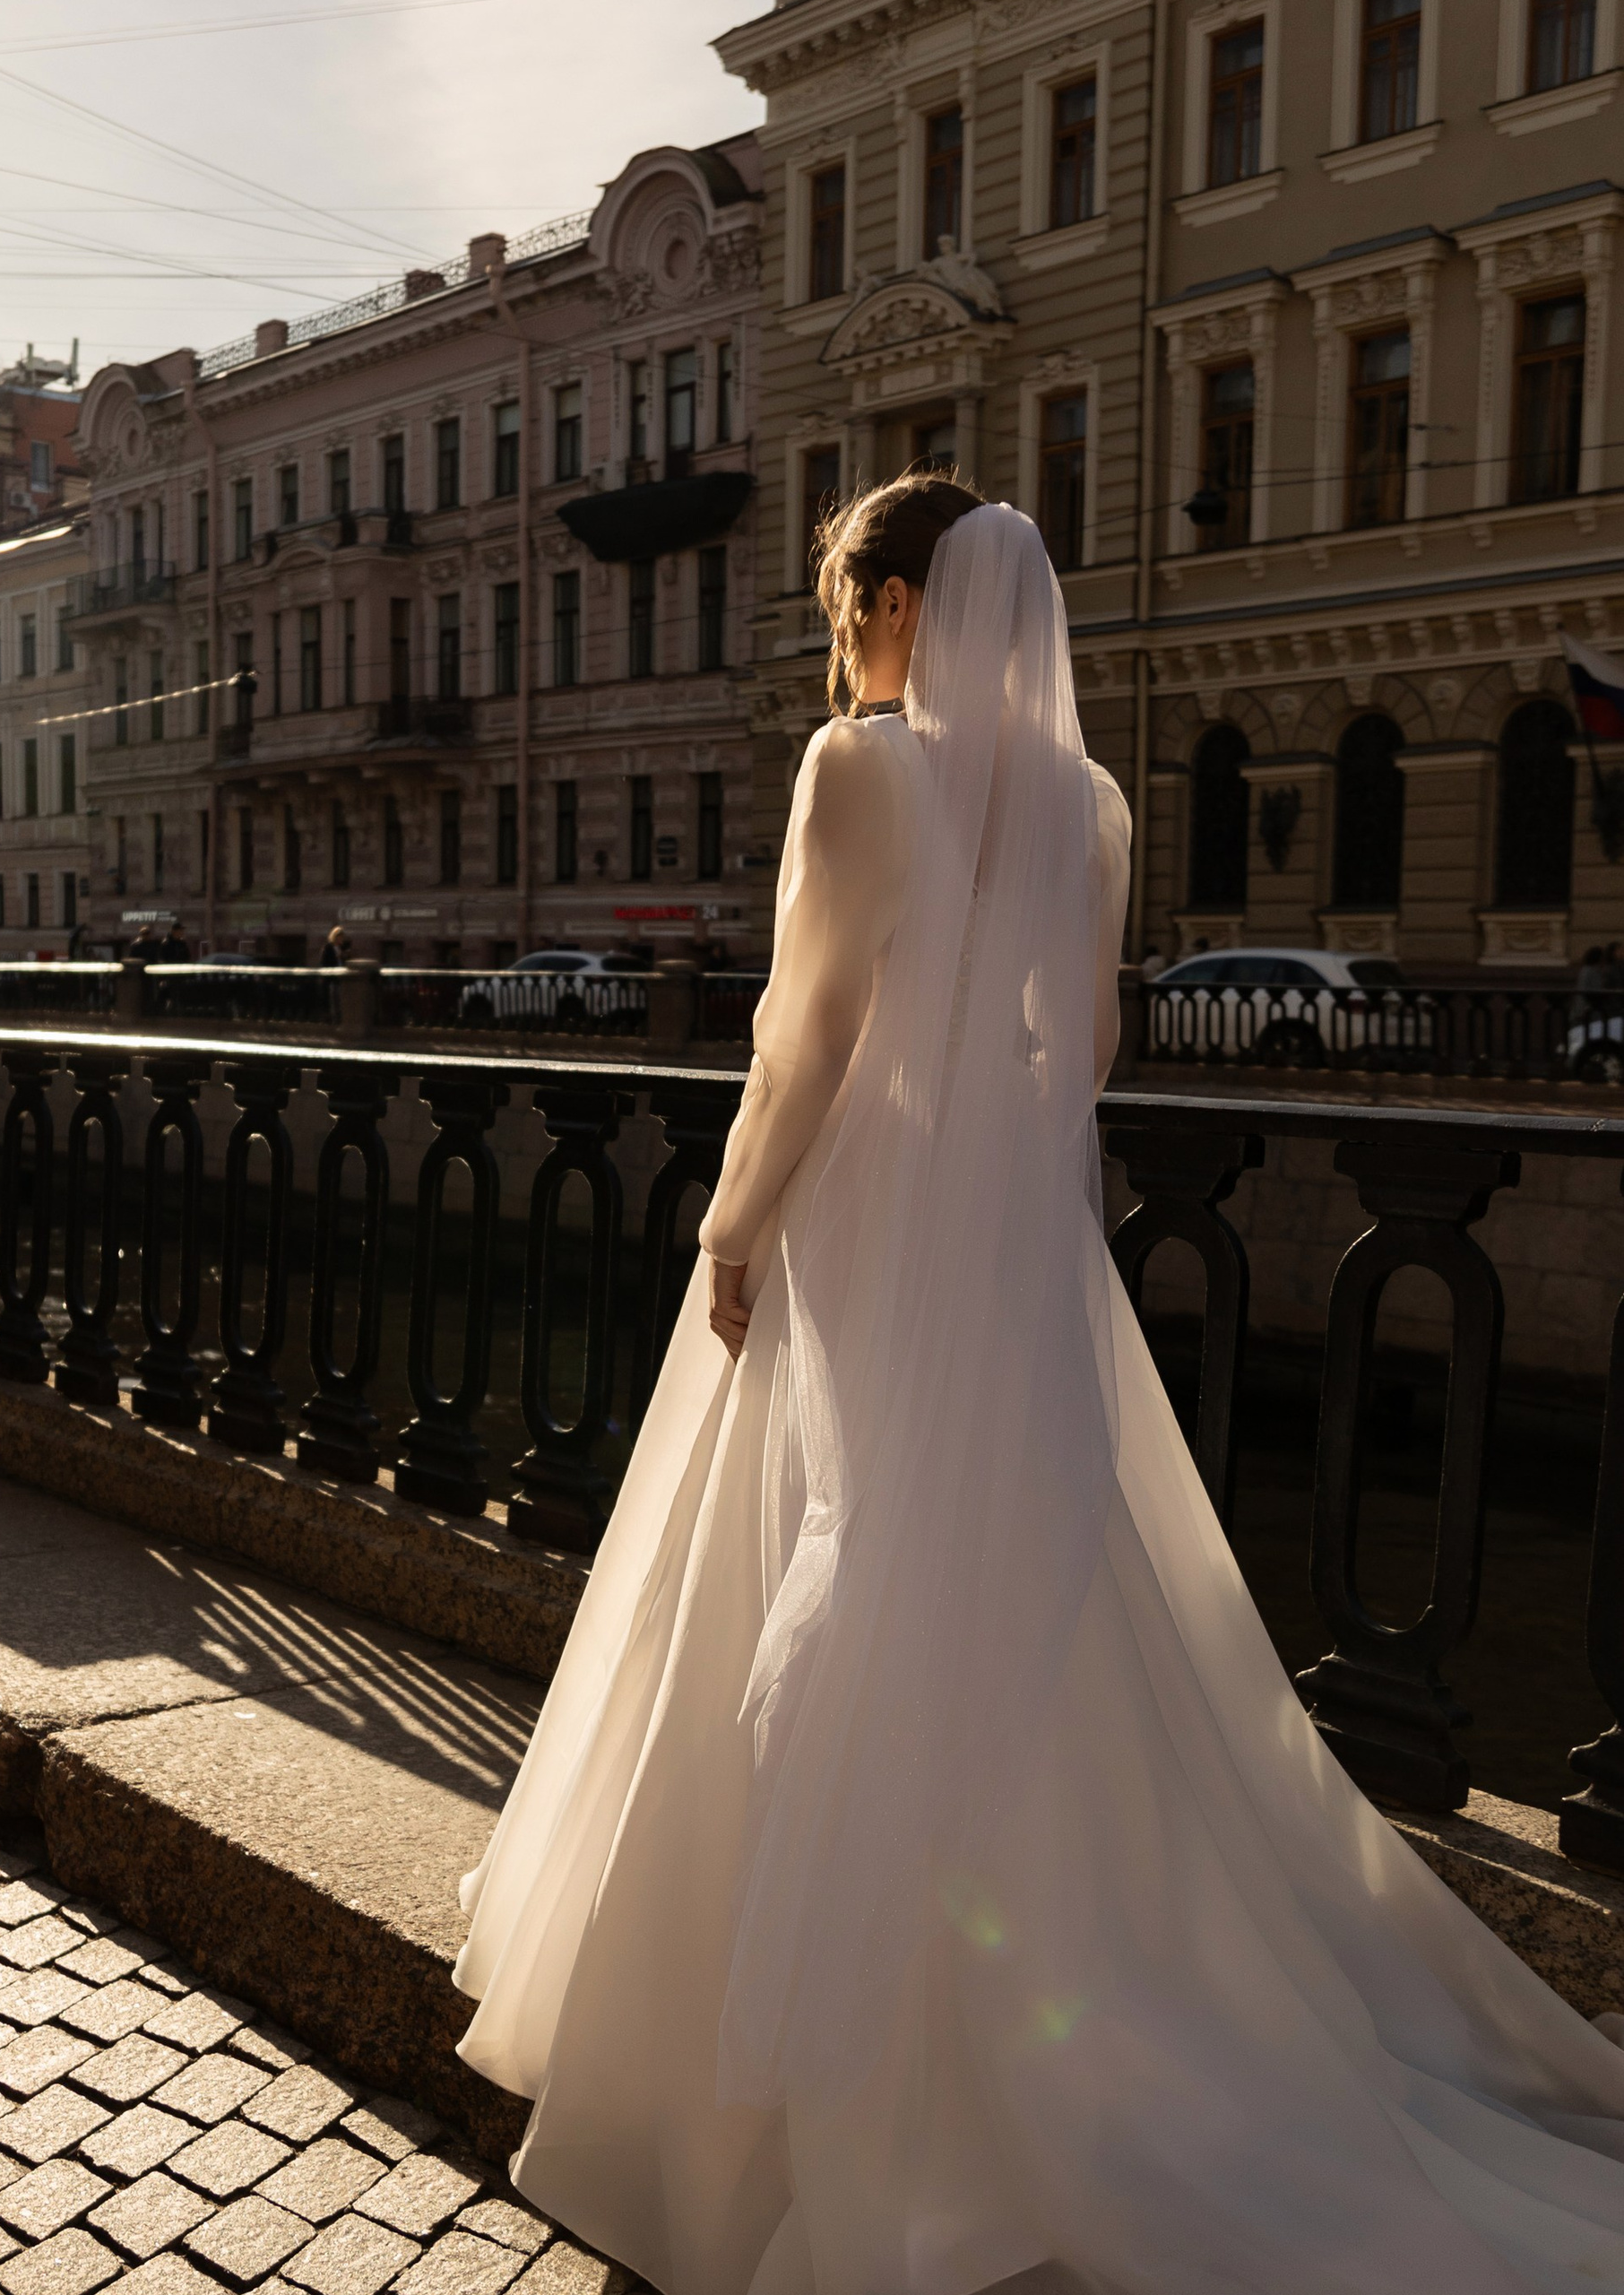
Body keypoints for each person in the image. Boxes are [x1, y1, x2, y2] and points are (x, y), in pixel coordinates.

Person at [454, 475, 1624, 2294]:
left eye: (849, 605)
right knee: (1006, 1588)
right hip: (1012, 1252)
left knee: (822, 1558)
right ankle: (1021, 1991)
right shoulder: (1083, 803)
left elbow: (808, 1036)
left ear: (906, 602)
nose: (839, 640)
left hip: (866, 1220)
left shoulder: (856, 770)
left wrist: (732, 1226)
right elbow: (1074, 1047)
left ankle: (788, 2044)